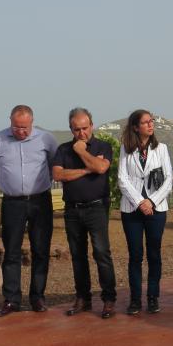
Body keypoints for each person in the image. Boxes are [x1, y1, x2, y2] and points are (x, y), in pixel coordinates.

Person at [0, 105, 58, 317]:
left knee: (41, 250)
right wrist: (11, 187)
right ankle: (11, 300)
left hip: (40, 201)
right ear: (10, 122)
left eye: (25, 127)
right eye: (17, 127)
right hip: (12, 203)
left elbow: (54, 165)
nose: (21, 131)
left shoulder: (46, 139)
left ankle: (37, 297)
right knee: (11, 251)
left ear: (32, 122)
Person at [54, 108, 118, 319]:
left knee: (101, 253)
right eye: (76, 129)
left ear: (92, 125)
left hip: (97, 207)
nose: (81, 133)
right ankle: (83, 298)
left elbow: (101, 168)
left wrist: (82, 152)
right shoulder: (63, 149)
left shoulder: (103, 146)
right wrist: (86, 169)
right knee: (77, 256)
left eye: (85, 128)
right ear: (71, 129)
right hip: (72, 209)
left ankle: (109, 299)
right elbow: (58, 174)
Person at [117, 109, 173, 315]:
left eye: (152, 121)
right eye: (146, 122)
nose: (151, 125)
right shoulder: (126, 149)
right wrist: (140, 202)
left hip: (156, 209)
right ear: (135, 127)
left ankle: (153, 296)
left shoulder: (162, 148)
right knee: (135, 255)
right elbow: (122, 179)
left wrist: (151, 201)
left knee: (154, 253)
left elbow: (168, 180)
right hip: (131, 209)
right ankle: (135, 299)